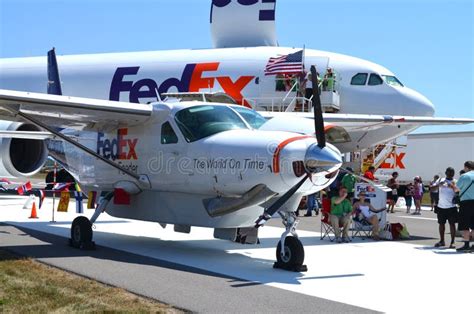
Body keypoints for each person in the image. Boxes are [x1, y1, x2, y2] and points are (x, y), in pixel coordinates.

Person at [434, 167, 458, 248]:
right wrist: (438, 185)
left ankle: (452, 242)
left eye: (452, 172)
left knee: (452, 224)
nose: (451, 173)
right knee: (441, 224)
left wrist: (451, 186)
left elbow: (458, 191)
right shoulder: (440, 180)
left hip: (451, 207)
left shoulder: (455, 181)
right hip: (441, 206)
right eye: (449, 172)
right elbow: (432, 188)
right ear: (445, 172)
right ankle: (442, 241)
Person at [455, 161, 474, 252]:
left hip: (466, 203)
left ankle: (466, 244)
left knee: (465, 224)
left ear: (466, 167)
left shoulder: (464, 176)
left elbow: (456, 188)